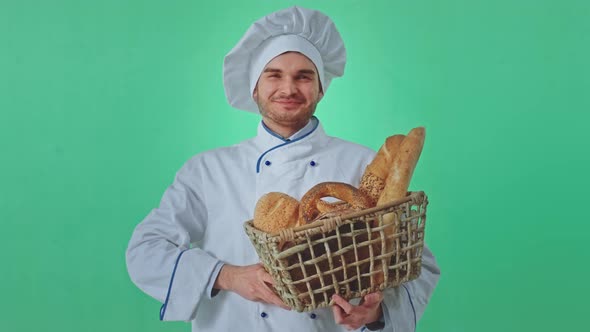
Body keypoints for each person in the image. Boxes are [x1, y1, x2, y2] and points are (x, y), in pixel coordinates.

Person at [126, 6, 440, 332]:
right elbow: (145, 251)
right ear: (254, 88)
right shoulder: (207, 171)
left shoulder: (362, 166)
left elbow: (418, 266)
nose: (288, 89)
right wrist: (228, 276)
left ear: (320, 88)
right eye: (273, 75)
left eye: (304, 76)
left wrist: (376, 315)